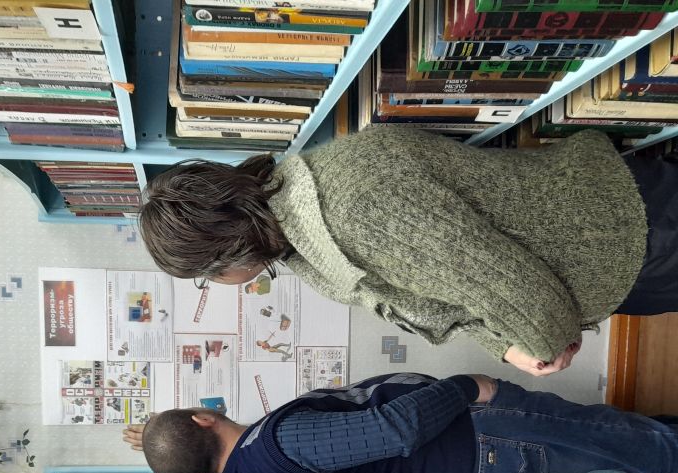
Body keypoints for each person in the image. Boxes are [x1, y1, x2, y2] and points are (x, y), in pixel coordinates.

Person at [138, 127, 678, 377]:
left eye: (208, 275)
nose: (220, 284)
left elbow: (506, 283)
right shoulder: (304, 227)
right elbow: (448, 296)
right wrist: (508, 349)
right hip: (608, 246)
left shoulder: (355, 211)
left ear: (227, 251)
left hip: (624, 232)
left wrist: (545, 343)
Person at [122, 372, 678, 473]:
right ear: (203, 418)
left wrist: (162, 440)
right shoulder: (280, 443)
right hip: (479, 441)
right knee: (624, 441)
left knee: (615, 442)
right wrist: (467, 386)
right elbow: (394, 430)